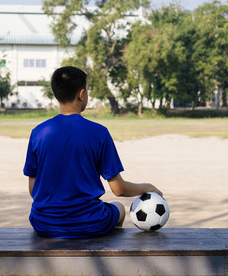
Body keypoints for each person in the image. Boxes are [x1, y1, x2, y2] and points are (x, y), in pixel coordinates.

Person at [23, 66, 162, 238]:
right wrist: (147, 187)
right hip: (89, 222)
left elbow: (33, 189)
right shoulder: (99, 133)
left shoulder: (38, 133)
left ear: (57, 94)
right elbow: (118, 189)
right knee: (118, 208)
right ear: (81, 94)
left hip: (43, 223)